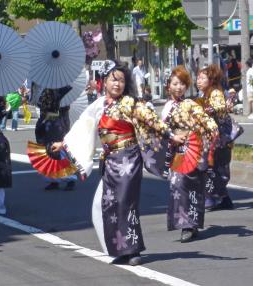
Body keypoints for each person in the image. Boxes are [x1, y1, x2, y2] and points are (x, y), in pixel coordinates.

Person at [52, 60, 184, 265]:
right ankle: (115, 247)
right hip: (109, 161)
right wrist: (64, 143)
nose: (117, 84)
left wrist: (170, 135)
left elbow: (151, 119)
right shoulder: (99, 104)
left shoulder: (130, 103)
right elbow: (83, 126)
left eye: (122, 80)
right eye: (114, 80)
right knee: (103, 204)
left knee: (125, 202)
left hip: (128, 159)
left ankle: (132, 250)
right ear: (104, 82)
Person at [162, 66, 218, 242]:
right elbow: (160, 130)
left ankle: (191, 225)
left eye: (182, 84)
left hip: (192, 149)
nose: (179, 87)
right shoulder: (167, 107)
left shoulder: (191, 104)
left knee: (192, 185)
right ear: (169, 86)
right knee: (178, 185)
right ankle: (183, 223)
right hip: (176, 150)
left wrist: (211, 130)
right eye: (175, 83)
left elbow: (206, 121)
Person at [196, 64, 241, 210]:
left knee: (217, 168)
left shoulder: (215, 93)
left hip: (220, 137)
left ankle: (216, 199)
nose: (199, 80)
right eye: (198, 77)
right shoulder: (203, 95)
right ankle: (223, 199)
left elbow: (220, 106)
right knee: (212, 168)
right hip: (211, 137)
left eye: (202, 78)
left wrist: (210, 109)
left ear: (211, 80)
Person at [35, 86, 77, 191]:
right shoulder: (45, 89)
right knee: (47, 150)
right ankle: (53, 179)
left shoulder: (65, 88)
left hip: (58, 121)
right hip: (46, 121)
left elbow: (64, 107)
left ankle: (70, 178)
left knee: (59, 150)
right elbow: (41, 104)